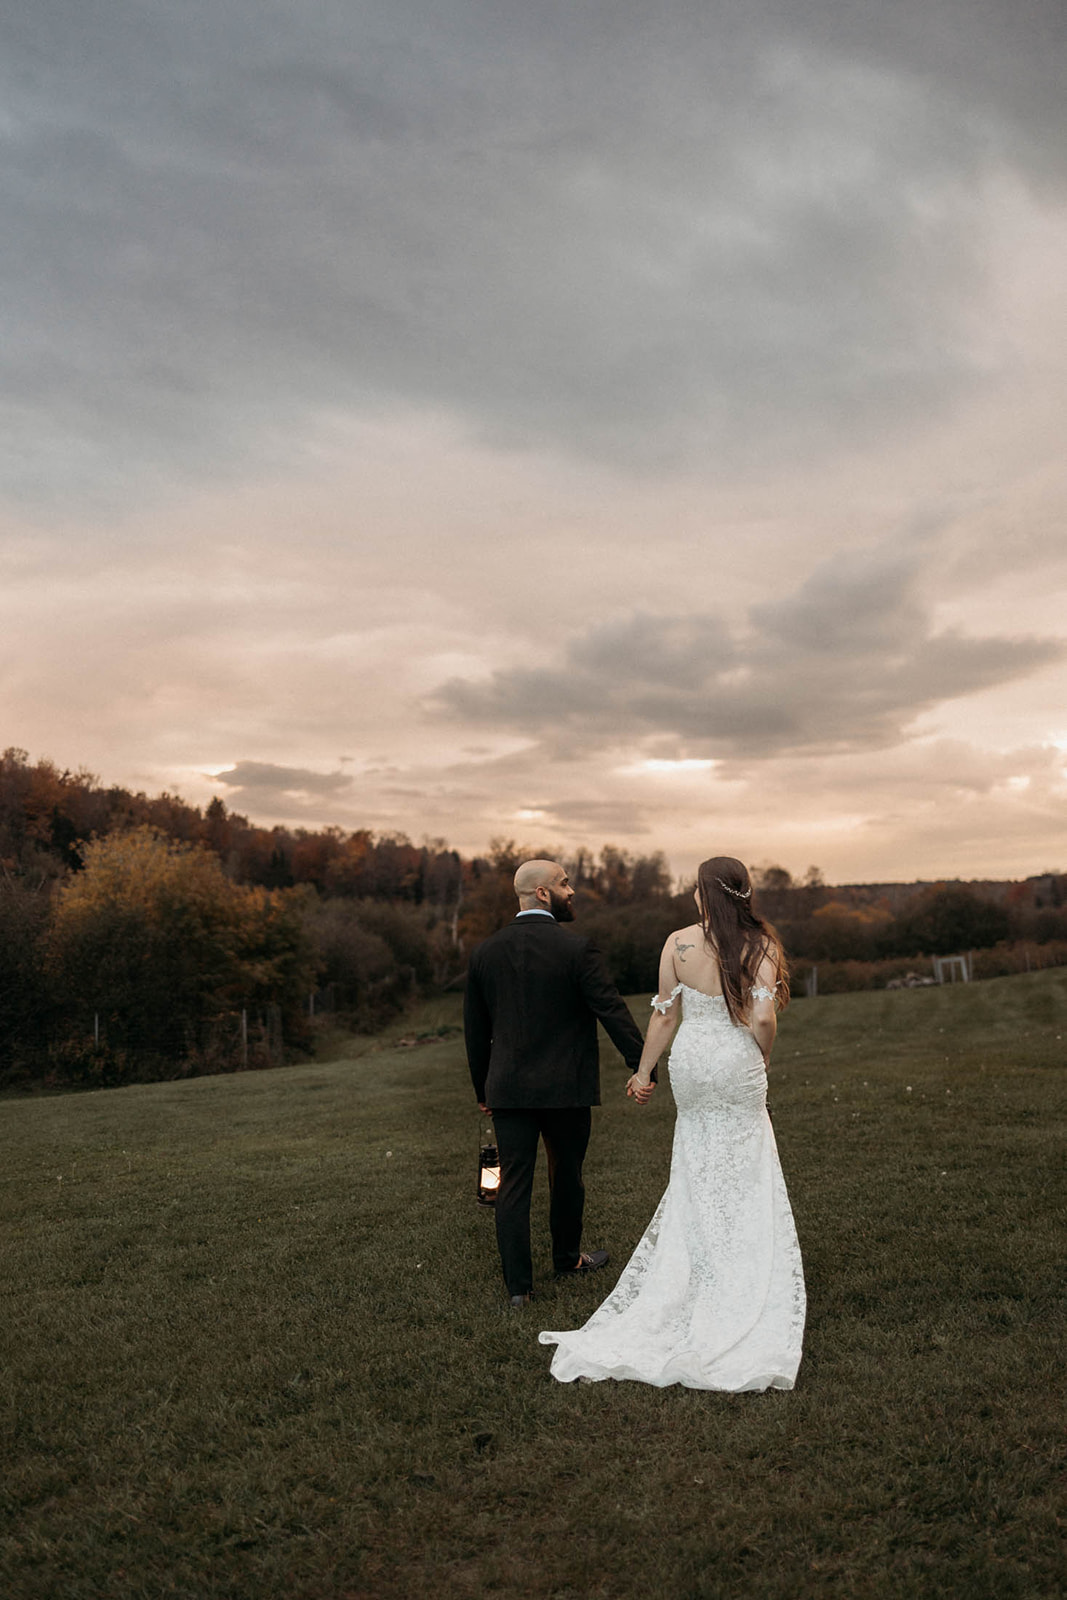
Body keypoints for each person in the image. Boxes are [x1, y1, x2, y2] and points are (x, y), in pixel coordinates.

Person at [539, 855, 806, 1390]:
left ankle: (693, 1270)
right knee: (745, 1161)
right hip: (734, 1062)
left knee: (695, 1162)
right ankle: (740, 1272)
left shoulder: (678, 942)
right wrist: (764, 1056)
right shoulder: (762, 944)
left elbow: (664, 1014)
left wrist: (643, 1073)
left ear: (703, 894)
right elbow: (761, 1017)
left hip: (691, 1064)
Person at [464, 859, 647, 1308]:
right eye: (565, 884)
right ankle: (567, 1260)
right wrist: (643, 1064)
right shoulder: (577, 949)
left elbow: (475, 1029)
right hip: (566, 1087)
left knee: (513, 1185)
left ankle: (518, 1290)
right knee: (567, 1175)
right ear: (543, 893)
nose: (572, 891)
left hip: (507, 1088)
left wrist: (483, 1090)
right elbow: (611, 1009)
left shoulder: (485, 952)